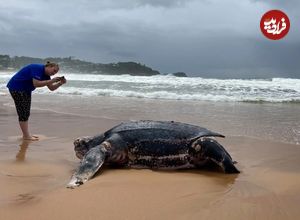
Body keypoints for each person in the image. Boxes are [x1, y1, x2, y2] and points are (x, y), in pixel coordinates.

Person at [7, 61, 67, 141]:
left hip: (26, 90)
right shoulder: (37, 68)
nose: (54, 73)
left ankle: (26, 135)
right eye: (54, 70)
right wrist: (52, 81)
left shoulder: (47, 76)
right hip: (17, 88)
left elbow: (51, 88)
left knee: (26, 113)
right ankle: (26, 136)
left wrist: (60, 83)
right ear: (49, 66)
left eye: (56, 72)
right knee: (23, 113)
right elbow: (36, 84)